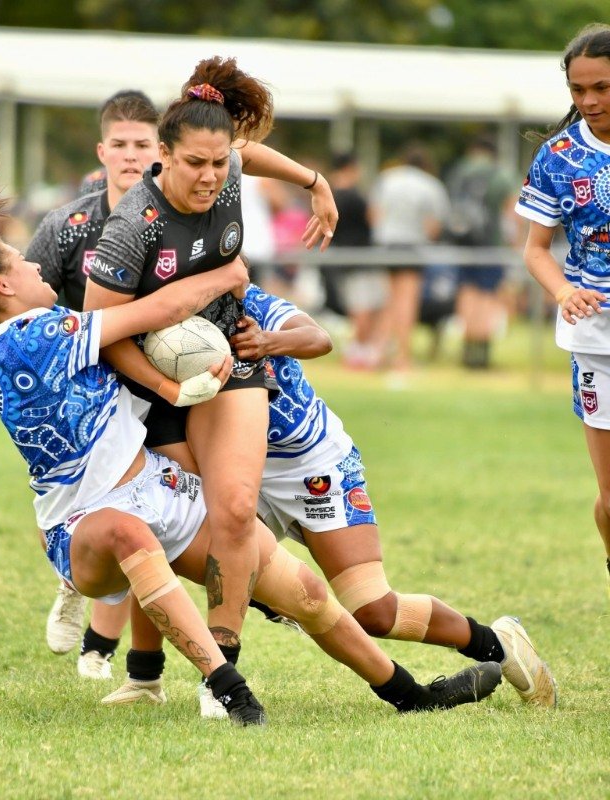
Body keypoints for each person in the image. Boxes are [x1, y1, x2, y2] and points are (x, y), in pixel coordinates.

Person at [0, 131, 502, 726]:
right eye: (21, 264)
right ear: (3, 287)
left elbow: (236, 154)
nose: (36, 265)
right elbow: (152, 312)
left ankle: (408, 694)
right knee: (128, 535)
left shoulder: (41, 325)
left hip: (159, 489)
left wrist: (171, 385)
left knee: (303, 593)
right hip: (81, 522)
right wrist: (226, 274)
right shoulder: (31, 339)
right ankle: (228, 687)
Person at [103, 284, 557, 714]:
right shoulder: (156, 327)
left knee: (375, 611)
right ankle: (148, 678)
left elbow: (318, 338)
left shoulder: (246, 301)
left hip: (313, 464)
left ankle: (495, 643)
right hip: (244, 477)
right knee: (195, 546)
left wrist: (267, 342)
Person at [83, 56, 339, 683]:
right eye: (194, 163)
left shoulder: (229, 171)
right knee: (184, 524)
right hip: (147, 383)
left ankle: (224, 665)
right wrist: (170, 384)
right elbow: (102, 334)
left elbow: (255, 154)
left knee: (233, 508)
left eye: (220, 162)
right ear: (163, 155)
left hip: (227, 359)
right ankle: (145, 664)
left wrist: (316, 182)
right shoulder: (129, 229)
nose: (210, 176)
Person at [26, 90, 161, 677]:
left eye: (144, 145)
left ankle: (117, 654)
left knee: (144, 511)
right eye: (122, 146)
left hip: (158, 383)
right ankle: (71, 583)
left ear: (162, 151)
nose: (132, 157)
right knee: (74, 505)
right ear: (102, 150)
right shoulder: (67, 225)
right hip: (83, 395)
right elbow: (23, 301)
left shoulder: (179, 215)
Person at [515, 23, 610, 592]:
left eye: (602, 87)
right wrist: (562, 291)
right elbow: (535, 250)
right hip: (598, 338)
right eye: (579, 90)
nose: (591, 101)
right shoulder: (560, 157)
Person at [370, 143, 450, 376]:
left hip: (386, 244)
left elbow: (374, 214)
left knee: (389, 299)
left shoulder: (387, 178)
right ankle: (403, 356)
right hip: (412, 245)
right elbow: (433, 225)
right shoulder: (431, 184)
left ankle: (380, 352)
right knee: (406, 301)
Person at [446, 135, 517, 369]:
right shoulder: (501, 174)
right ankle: (482, 353)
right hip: (492, 246)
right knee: (488, 296)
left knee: (467, 294)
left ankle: (467, 349)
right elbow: (513, 209)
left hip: (464, 245)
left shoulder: (460, 171)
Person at [327, 151, 386, 369]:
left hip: (343, 258)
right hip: (359, 260)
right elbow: (373, 218)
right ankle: (357, 354)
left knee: (361, 307)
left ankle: (361, 352)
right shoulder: (352, 195)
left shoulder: (331, 194)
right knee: (364, 308)